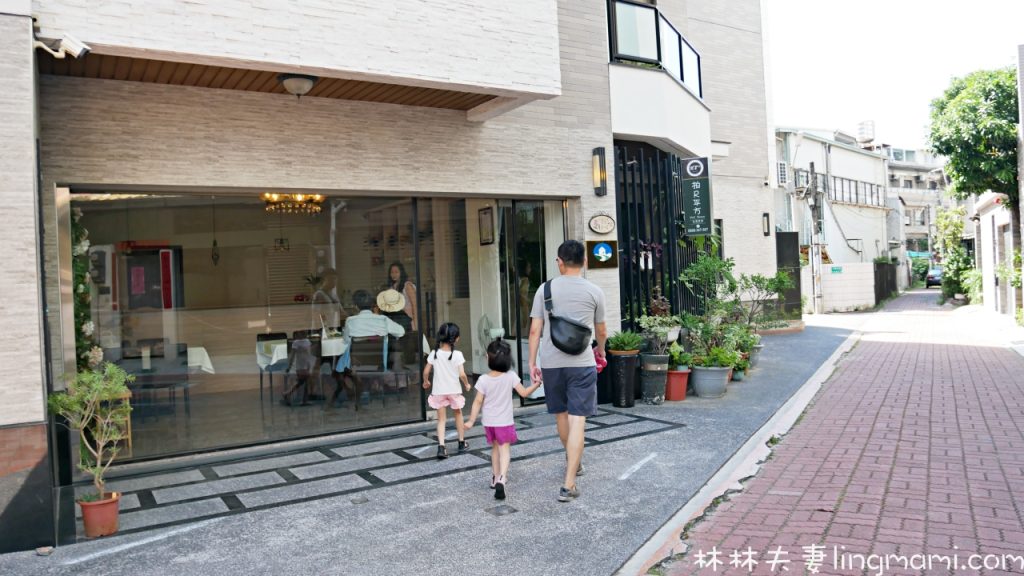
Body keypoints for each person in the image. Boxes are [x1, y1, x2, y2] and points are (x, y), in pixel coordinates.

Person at [528, 239, 607, 502]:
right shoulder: (595, 291)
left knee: (561, 416)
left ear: (559, 262)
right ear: (584, 261)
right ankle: (569, 483)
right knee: (578, 420)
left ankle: (574, 461)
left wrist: (532, 362)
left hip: (552, 364)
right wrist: (601, 351)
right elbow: (602, 331)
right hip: (581, 363)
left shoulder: (545, 290)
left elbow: (535, 330)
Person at [464, 339, 541, 500]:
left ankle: (494, 477)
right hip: (504, 422)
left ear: (488, 358)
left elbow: (477, 401)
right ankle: (502, 478)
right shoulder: (511, 376)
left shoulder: (483, 379)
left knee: (494, 449)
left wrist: (471, 420)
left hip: (489, 422)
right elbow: (524, 393)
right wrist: (536, 384)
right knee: (504, 450)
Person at [327, 289, 406, 410]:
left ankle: (348, 394)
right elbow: (401, 332)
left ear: (356, 306)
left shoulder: (351, 321)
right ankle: (362, 390)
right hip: (378, 364)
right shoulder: (383, 320)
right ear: (373, 305)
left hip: (356, 366)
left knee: (338, 366)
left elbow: (346, 341)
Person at [422, 322, 471, 460]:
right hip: (454, 391)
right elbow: (462, 374)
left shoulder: (434, 353)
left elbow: (426, 371)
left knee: (441, 420)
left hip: (439, 391)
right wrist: (467, 384)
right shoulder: (457, 354)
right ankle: (461, 442)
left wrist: (426, 381)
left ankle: (441, 447)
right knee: (458, 415)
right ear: (456, 338)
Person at [281, 338, 317, 407]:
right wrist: (289, 367)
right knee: (303, 381)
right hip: (301, 366)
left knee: (303, 381)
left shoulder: (306, 342)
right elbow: (294, 356)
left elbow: (307, 355)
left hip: (303, 365)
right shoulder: (297, 343)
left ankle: (290, 395)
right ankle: (287, 393)